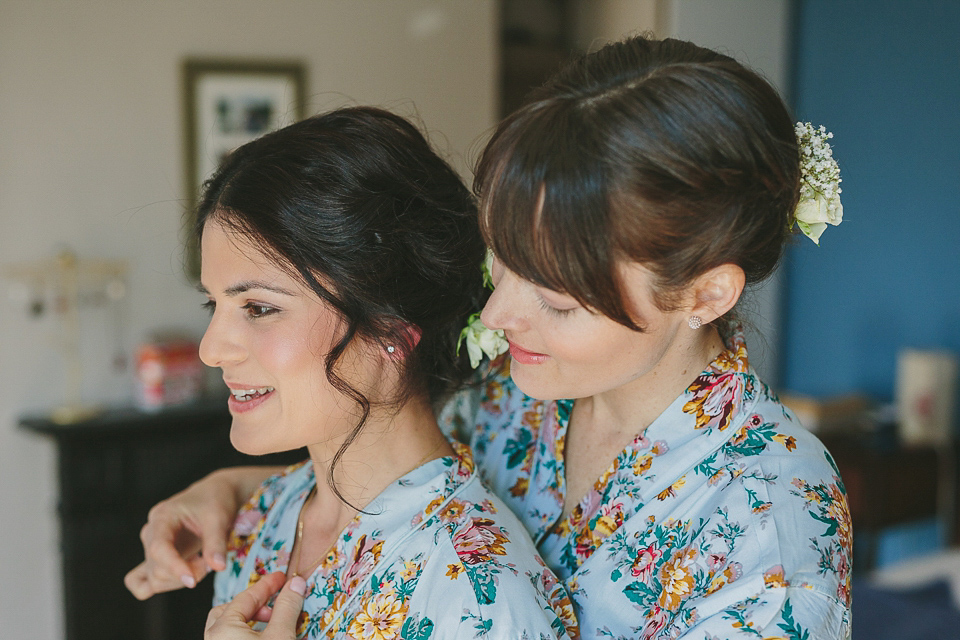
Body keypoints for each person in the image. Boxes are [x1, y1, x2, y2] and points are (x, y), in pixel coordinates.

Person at [128, 35, 852, 639]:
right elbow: (397, 496)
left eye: (556, 299)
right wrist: (235, 492)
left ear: (704, 292)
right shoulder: (514, 398)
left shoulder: (772, 517)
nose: (499, 316)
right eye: (499, 265)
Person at [163, 106, 577, 639]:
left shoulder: (479, 592)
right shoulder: (260, 520)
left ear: (391, 326)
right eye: (212, 307)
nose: (211, 350)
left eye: (259, 308)